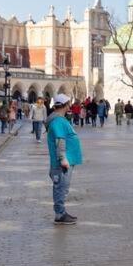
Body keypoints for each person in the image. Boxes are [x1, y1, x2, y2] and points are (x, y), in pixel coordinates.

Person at [46, 94, 83, 225]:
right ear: (64, 105)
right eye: (69, 104)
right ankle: (60, 214)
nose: (70, 106)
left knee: (62, 187)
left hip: (67, 159)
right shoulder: (58, 121)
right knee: (61, 187)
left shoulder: (60, 119)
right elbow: (60, 141)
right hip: (62, 162)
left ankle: (61, 212)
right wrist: (63, 159)